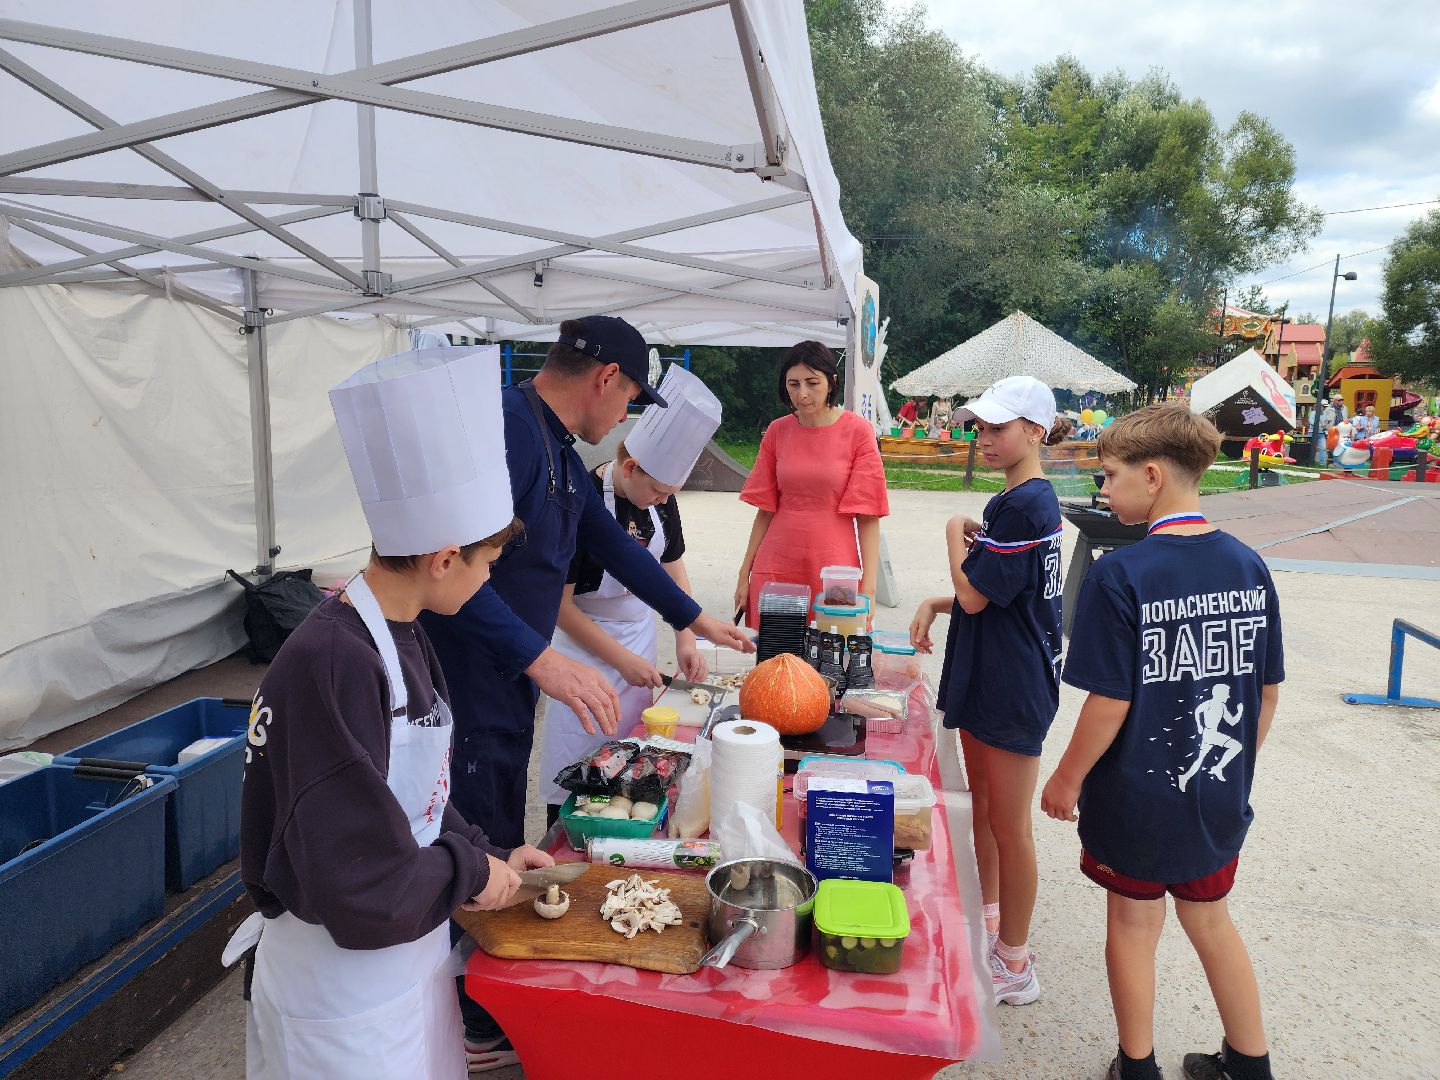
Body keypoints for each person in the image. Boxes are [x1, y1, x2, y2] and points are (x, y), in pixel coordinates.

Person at [417, 317, 750, 1069]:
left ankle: (484, 999)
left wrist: (694, 618)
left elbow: (608, 543)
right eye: (632, 399)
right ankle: (470, 1013)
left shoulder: (559, 449)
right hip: (471, 673)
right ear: (607, 380)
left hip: (509, 677)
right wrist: (543, 658)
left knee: (502, 824)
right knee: (474, 830)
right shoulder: (510, 430)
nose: (627, 417)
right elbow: (451, 574)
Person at [225, 345, 556, 1079]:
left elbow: (413, 801)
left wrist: (489, 854)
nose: (489, 578)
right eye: (488, 563)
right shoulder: (334, 662)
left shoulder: (399, 632)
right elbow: (358, 884)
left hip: (400, 973)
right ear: (444, 558)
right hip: (341, 997)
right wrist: (469, 872)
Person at [1040, 403, 1284, 1080]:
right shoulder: (1248, 565)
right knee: (1212, 923)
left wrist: (1065, 780)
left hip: (1136, 800)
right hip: (1215, 798)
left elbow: (1110, 700)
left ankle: (1137, 1067)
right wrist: (1236, 774)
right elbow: (1265, 693)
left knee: (1132, 925)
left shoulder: (1121, 574)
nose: (1104, 490)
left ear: (1152, 475)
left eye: (1111, 476)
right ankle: (1249, 1062)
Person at [908, 375, 1068, 1007]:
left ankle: (1016, 962)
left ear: (1035, 431)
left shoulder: (1027, 504)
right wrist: (933, 601)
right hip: (995, 672)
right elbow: (1001, 599)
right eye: (981, 427)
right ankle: (992, 921)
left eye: (999, 427)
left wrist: (954, 531)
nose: (987, 438)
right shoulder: (1017, 503)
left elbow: (977, 593)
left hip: (1014, 684)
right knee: (985, 815)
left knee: (1010, 826)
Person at [537, 366, 722, 820]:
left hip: (637, 642)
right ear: (630, 466)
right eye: (658, 490)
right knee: (577, 772)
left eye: (670, 494)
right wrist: (619, 660)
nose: (662, 501)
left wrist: (685, 636)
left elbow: (672, 566)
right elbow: (559, 609)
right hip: (582, 649)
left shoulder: (662, 500)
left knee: (634, 769)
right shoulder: (578, 501)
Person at [734, 340, 889, 627]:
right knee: (776, 656)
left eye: (812, 383)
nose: (802, 394)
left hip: (834, 565)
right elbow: (765, 510)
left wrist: (868, 588)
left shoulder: (859, 432)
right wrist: (745, 574)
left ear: (831, 382)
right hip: (776, 563)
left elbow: (868, 518)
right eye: (793, 384)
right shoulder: (777, 432)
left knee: (831, 656)